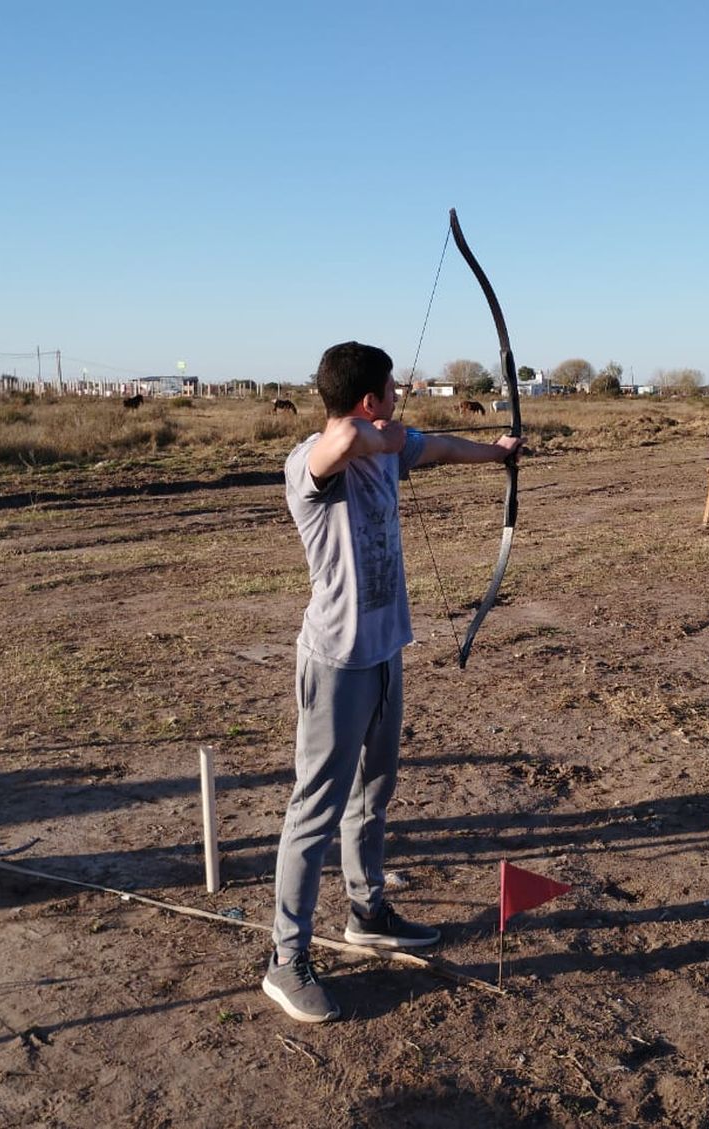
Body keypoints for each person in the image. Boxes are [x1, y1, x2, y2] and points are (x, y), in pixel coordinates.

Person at [263, 341, 522, 1022]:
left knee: (373, 792)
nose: (398, 408)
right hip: (335, 661)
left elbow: (436, 447)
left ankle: (367, 910)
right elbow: (341, 437)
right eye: (390, 395)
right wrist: (380, 431)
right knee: (314, 807)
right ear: (369, 401)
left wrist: (496, 452)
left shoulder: (387, 449)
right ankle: (285, 958)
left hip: (384, 652)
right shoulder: (311, 463)